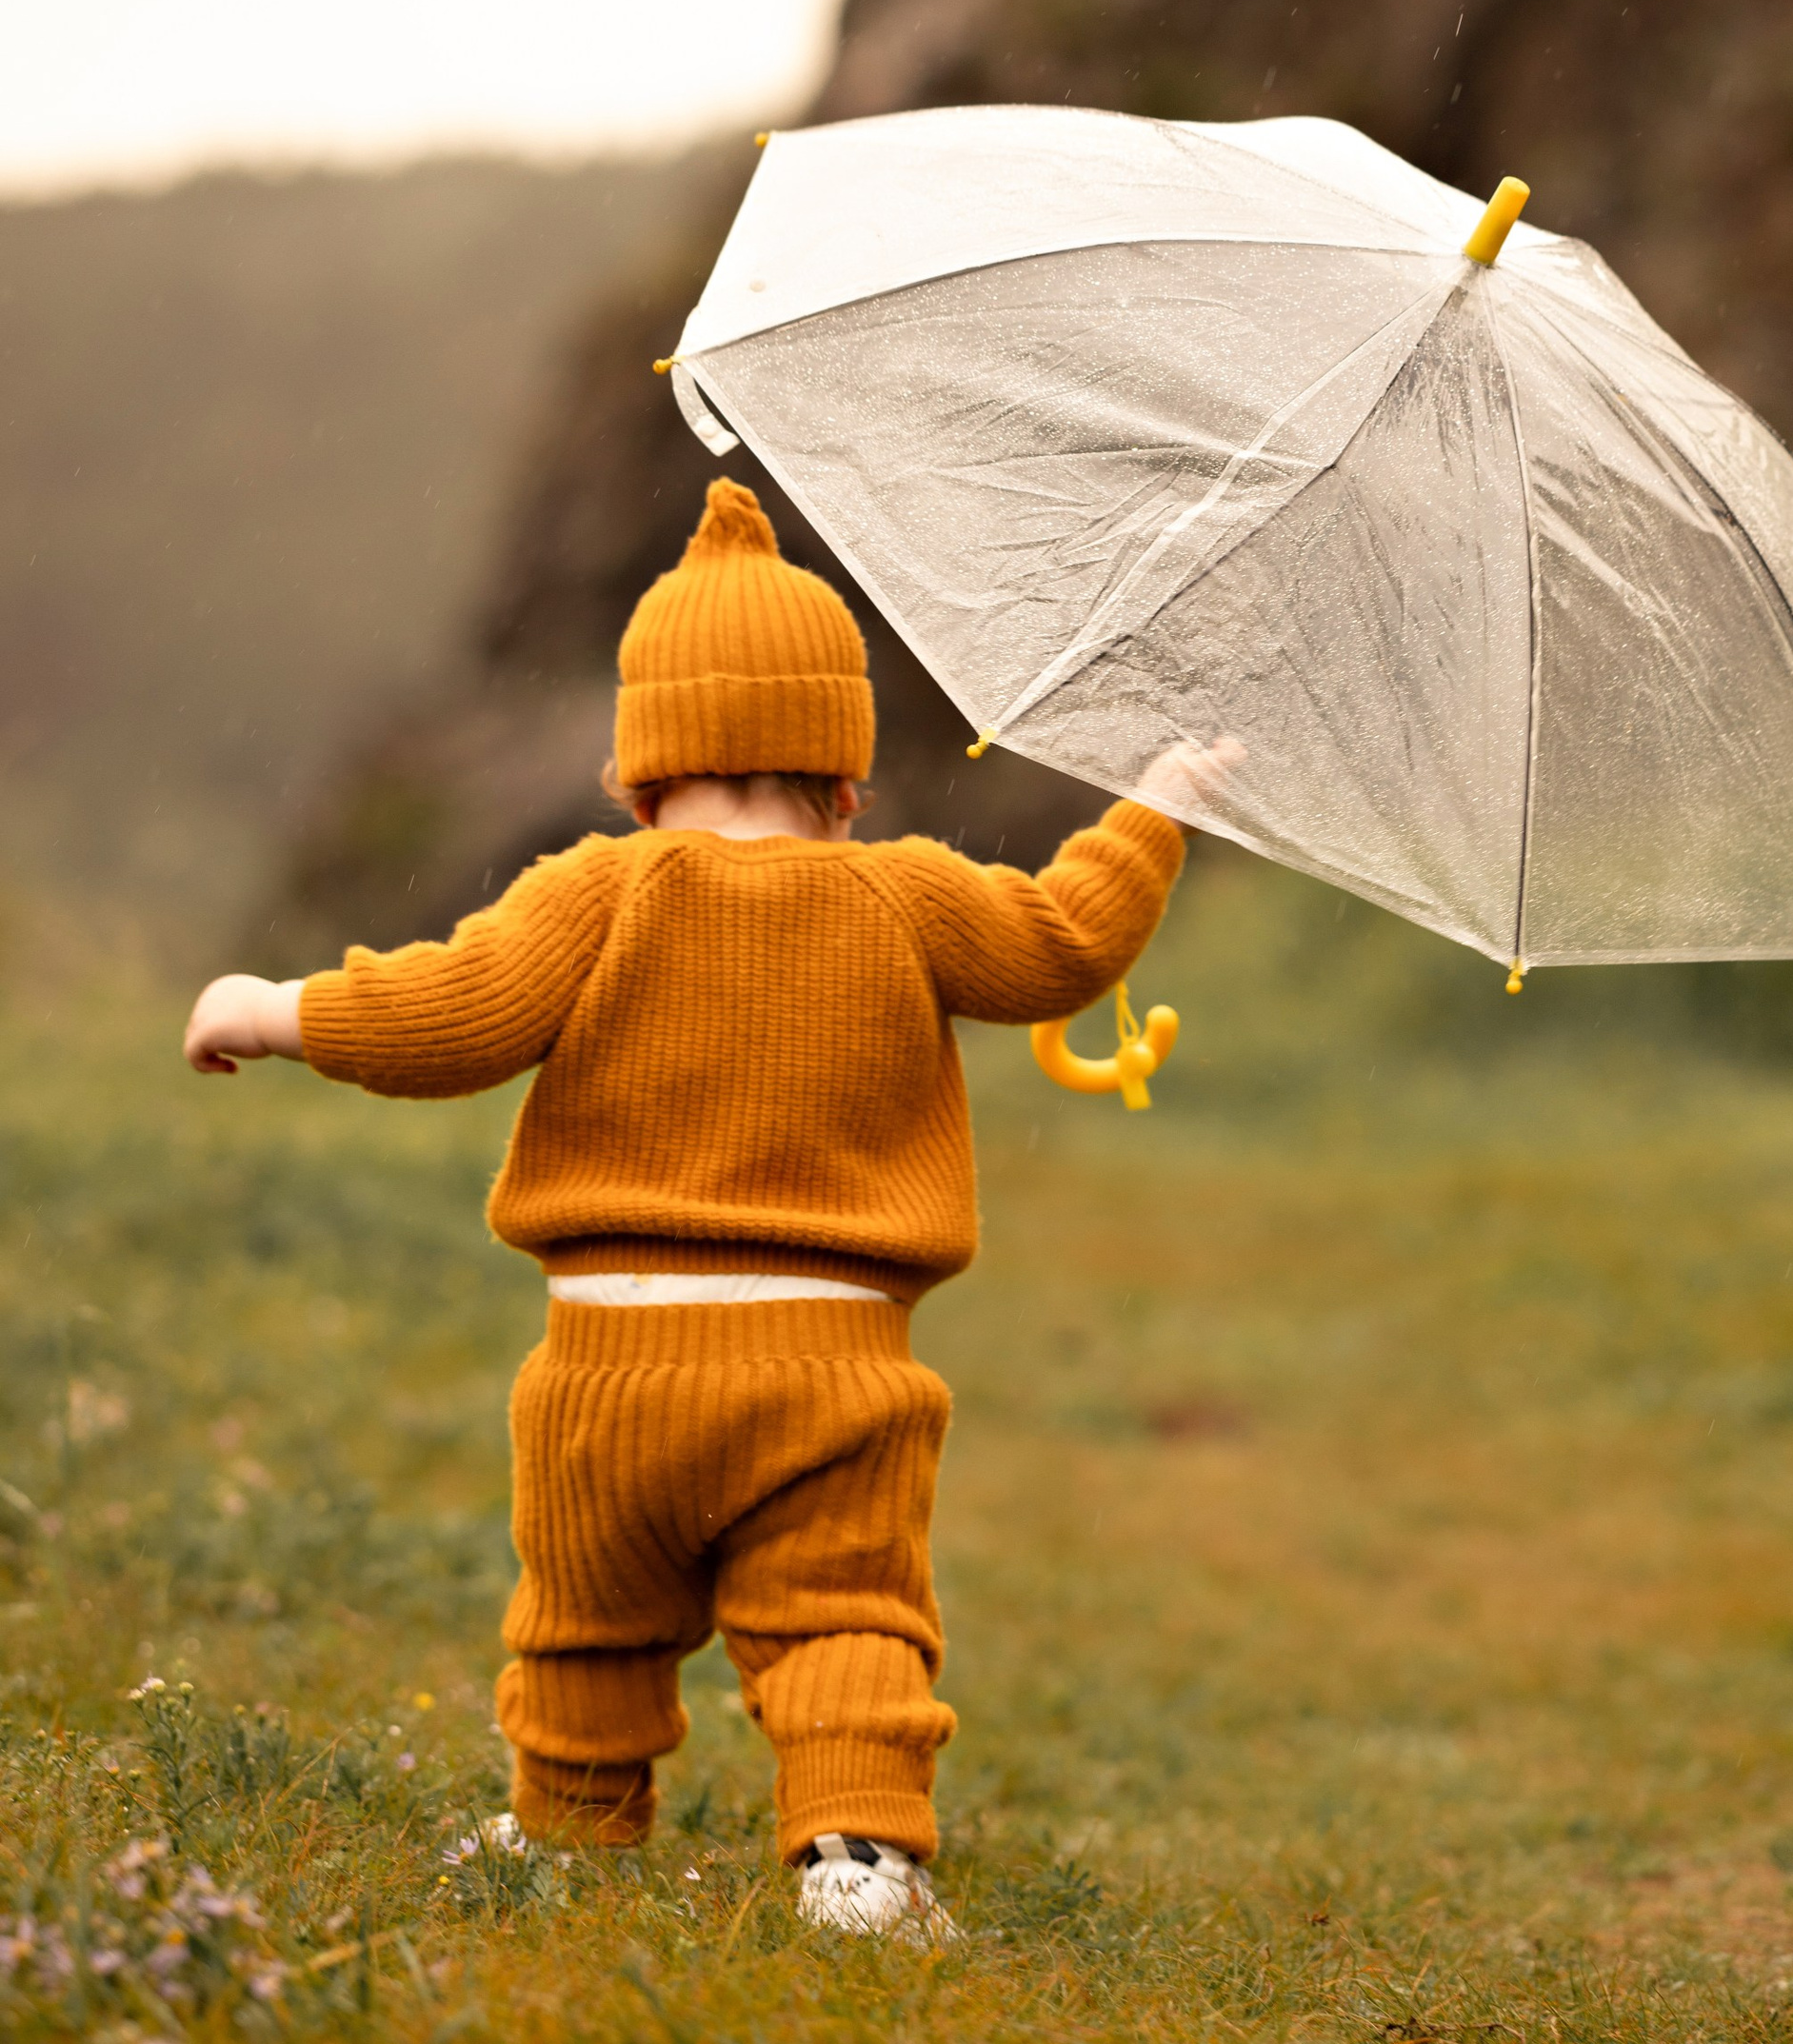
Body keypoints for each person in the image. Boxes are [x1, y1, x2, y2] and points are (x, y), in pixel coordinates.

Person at [184, 478, 1215, 1942]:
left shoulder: (596, 889)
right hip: (832, 1372)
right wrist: (1157, 807)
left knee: (585, 1620)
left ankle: (569, 1830)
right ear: (845, 780)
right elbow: (1064, 943)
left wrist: (279, 1006)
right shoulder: (910, 897)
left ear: (636, 770)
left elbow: (451, 1014)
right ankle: (861, 1863)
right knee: (847, 1619)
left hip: (610, 1373)